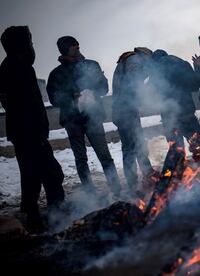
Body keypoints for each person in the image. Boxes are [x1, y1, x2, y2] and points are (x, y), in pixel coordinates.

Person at [0, 26, 65, 232]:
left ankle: (34, 214)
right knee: (50, 173)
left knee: (32, 173)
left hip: (25, 132)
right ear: (20, 44)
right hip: (29, 133)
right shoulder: (17, 67)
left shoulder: (13, 65)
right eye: (29, 40)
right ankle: (52, 215)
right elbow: (22, 105)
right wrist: (36, 134)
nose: (32, 45)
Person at [47, 36, 121, 195]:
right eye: (73, 46)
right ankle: (90, 193)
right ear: (65, 49)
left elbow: (104, 88)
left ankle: (116, 189)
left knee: (104, 155)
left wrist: (94, 88)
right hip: (72, 120)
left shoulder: (91, 65)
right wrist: (71, 97)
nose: (77, 48)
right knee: (81, 159)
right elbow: (53, 98)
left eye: (77, 45)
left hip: (93, 116)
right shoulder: (56, 74)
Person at [147, 49, 200, 162]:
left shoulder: (154, 70)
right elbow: (195, 86)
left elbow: (150, 93)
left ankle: (180, 173)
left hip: (168, 116)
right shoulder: (182, 63)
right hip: (186, 111)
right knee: (198, 146)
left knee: (176, 150)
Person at [112, 47, 158, 191]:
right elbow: (134, 81)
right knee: (133, 146)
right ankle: (138, 180)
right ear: (145, 56)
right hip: (126, 110)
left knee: (133, 145)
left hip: (122, 109)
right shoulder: (134, 60)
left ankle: (144, 174)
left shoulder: (126, 60)